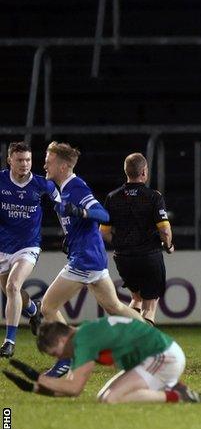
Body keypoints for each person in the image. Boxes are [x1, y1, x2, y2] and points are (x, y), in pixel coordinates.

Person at [38, 141, 146, 377]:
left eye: (50, 159)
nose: (45, 162)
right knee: (114, 306)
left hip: (85, 259)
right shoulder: (62, 187)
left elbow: (103, 214)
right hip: (92, 256)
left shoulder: (75, 187)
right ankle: (151, 338)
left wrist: (79, 212)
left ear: (64, 166)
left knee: (48, 307)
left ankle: (69, 355)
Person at [3, 317, 201, 403]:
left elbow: (75, 388)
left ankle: (177, 396)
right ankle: (170, 388)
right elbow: (68, 389)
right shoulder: (82, 336)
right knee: (103, 397)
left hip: (164, 356)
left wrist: (36, 376)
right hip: (151, 358)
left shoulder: (84, 341)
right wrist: (33, 388)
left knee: (111, 399)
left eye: (55, 353)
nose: (59, 358)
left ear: (63, 339)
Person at [100, 153, 174, 326]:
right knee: (150, 304)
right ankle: (142, 346)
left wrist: (121, 244)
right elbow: (164, 230)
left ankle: (124, 334)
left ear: (126, 171)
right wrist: (168, 245)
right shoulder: (153, 196)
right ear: (144, 172)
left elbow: (103, 233)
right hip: (149, 256)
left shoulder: (113, 197)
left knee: (136, 297)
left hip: (124, 258)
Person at [0, 142, 59, 358]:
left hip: (28, 246)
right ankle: (34, 310)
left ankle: (9, 342)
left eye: (28, 160)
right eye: (20, 160)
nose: (25, 164)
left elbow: (62, 207)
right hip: (3, 246)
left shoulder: (42, 185)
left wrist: (70, 232)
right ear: (10, 161)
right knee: (10, 291)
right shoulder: (1, 180)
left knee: (13, 285)